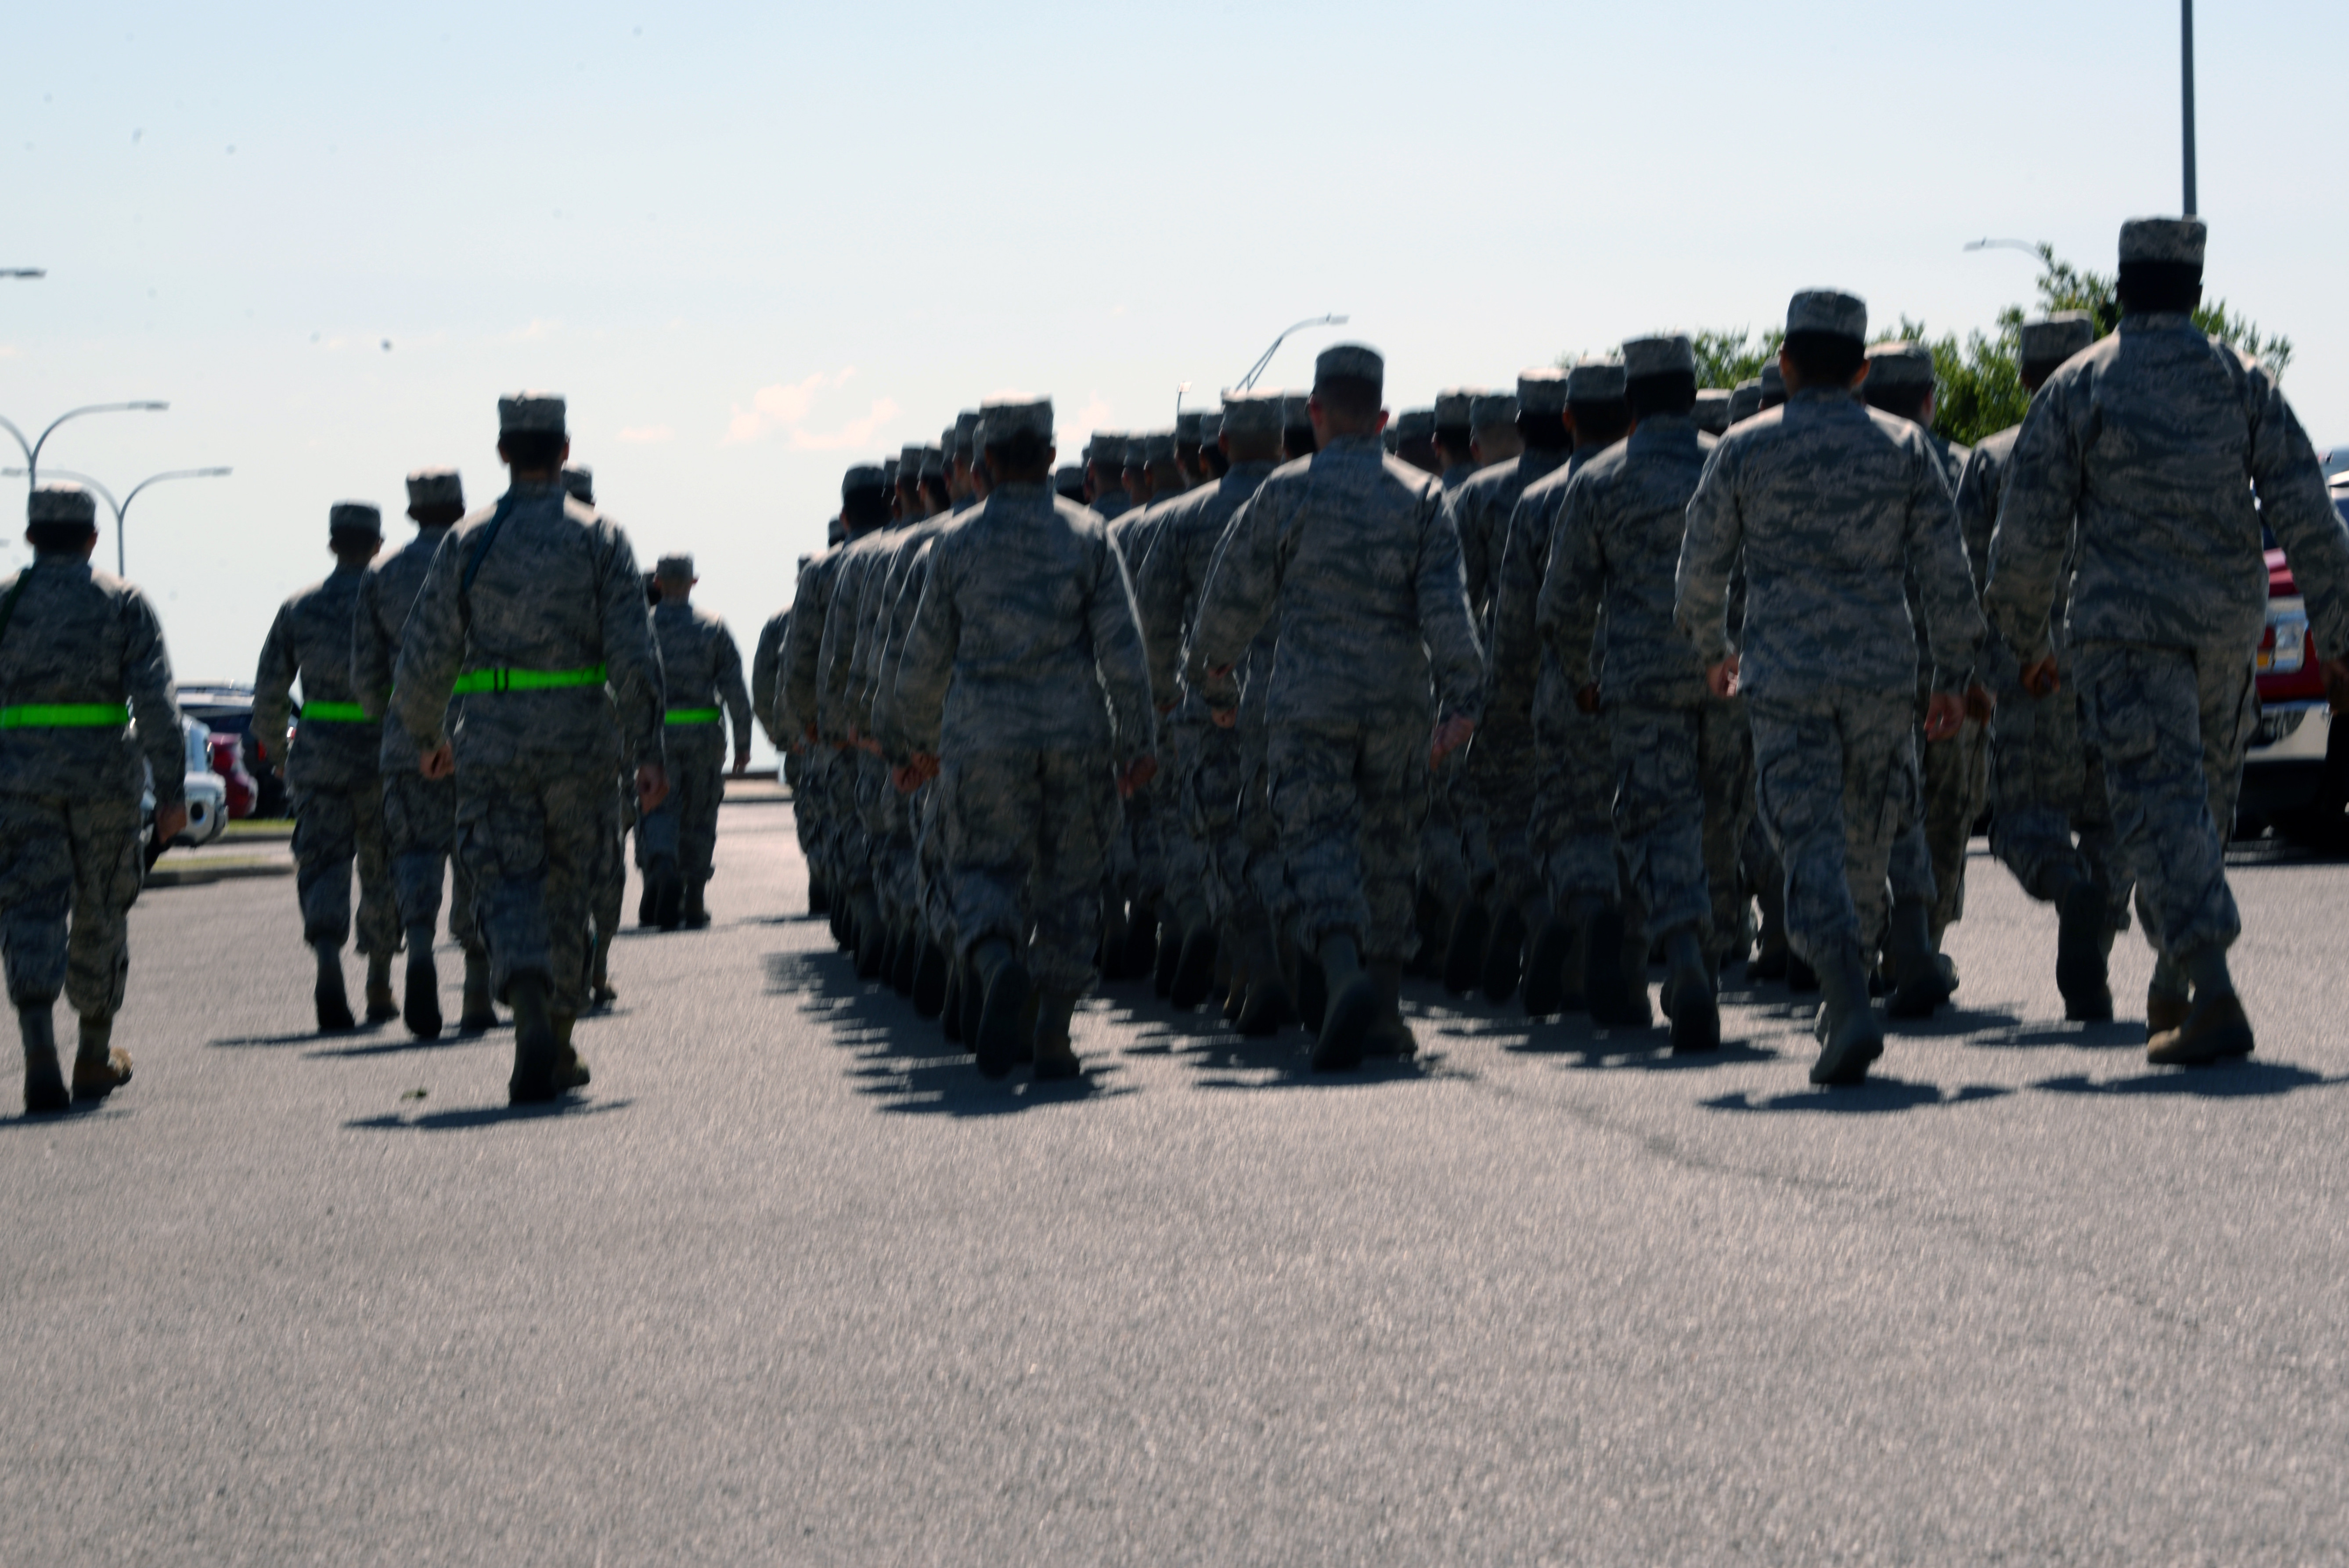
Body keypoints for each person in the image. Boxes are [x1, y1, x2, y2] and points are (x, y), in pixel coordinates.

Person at [1984, 216, 2349, 1065]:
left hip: (2128, 630)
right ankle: (2173, 982)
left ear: (2121, 289)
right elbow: (2307, 514)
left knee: (2160, 799)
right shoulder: (2240, 378)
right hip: (2229, 624)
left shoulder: (2080, 384)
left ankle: (2212, 987)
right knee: (2205, 799)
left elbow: (2028, 533)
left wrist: (2026, 638)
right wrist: (2339, 637)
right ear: (2196, 291)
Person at [1678, 290, 1986, 1085]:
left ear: (1784, 366)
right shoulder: (1906, 449)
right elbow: (1947, 577)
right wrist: (1952, 677)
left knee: (1806, 835)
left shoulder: (1743, 449)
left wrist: (1713, 651)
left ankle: (1845, 993)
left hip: (1783, 674)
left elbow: (1701, 569)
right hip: (1884, 674)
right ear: (1861, 371)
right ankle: (1851, 987)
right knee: (1870, 832)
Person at [1190, 345, 1484, 1068]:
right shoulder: (1421, 496)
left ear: (1314, 413)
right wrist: (1464, 700)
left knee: (1317, 840)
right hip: (1396, 701)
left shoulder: (1285, 493)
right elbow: (1448, 611)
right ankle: (1382, 1006)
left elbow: (1229, 603)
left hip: (1307, 701)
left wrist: (1215, 679)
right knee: (1389, 847)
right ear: (1382, 417)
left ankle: (1343, 966)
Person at [393, 392, 668, 1104]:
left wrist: (426, 737)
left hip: (492, 740)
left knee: (505, 880)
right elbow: (635, 657)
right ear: (566, 450)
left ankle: (526, 1001)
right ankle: (561, 1029)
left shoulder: (471, 538)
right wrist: (648, 748)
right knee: (571, 885)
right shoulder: (601, 537)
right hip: (580, 737)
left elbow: (426, 654)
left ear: (504, 453)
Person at [891, 396, 1158, 1080]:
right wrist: (1137, 740)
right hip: (1074, 730)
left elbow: (924, 656)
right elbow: (1123, 650)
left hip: (981, 734)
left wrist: (915, 745)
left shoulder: (953, 543)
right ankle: (1053, 1031)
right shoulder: (1090, 535)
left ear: (980, 468)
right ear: (1048, 458)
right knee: (1071, 880)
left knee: (981, 866)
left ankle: (996, 960)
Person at [1538, 332, 1735, 1053]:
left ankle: (1682, 953)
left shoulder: (1600, 480)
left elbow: (1561, 604)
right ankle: (1706, 967)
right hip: (1730, 675)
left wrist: (1583, 676)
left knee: (1660, 821)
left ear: (1629, 402)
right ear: (1692, 395)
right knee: (1720, 819)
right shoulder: (1733, 460)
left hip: (1639, 681)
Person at [1956, 312, 2129, 1019]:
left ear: (2026, 377)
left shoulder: (1996, 457)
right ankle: (2092, 937)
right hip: (2118, 664)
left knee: (2024, 817)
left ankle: (2067, 890)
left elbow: (1964, 571)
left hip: (2034, 674)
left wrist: (1966, 669)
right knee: (2112, 820)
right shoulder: (2131, 452)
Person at [0, 483, 179, 1112]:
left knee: (28, 908)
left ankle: (39, 1051)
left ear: (29, 537)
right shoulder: (121, 600)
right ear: (93, 537)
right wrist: (174, 791)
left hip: (18, 782)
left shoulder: (6, 602)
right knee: (102, 907)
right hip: (104, 781)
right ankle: (94, 1054)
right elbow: (155, 704)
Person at [1135, 390, 1287, 1017]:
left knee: (1223, 841)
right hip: (1294, 698)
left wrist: (1167, 697)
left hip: (1211, 705)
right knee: (1292, 832)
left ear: (1219, 446)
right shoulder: (1299, 503)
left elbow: (1154, 624)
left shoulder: (1184, 518)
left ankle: (1256, 966)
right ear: (1281, 442)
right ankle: (1299, 961)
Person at [1497, 360, 1640, 1020]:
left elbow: (1518, 617)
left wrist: (1506, 699)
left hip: (1569, 684)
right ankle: (1633, 971)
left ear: (1568, 418)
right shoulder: (1694, 476)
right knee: (1655, 818)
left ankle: (1582, 920)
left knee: (1574, 821)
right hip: (1665, 680)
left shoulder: (1539, 500)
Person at [1440, 370, 1572, 1001]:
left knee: (1500, 806)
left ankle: (1510, 895)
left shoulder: (1477, 496)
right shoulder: (1588, 484)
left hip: (1503, 667)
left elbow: (1455, 601)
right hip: (1589, 670)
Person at [354, 468, 493, 1038]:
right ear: (461, 507)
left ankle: (419, 952)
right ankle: (479, 982)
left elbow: (366, 678)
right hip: (479, 735)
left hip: (407, 740)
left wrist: (395, 719)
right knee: (479, 857)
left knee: (412, 850)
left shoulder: (380, 574)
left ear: (412, 516)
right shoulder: (482, 559)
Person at [1865, 339, 1980, 1014]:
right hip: (1945, 664)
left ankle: (1877, 942)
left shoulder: (1851, 456)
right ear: (1930, 400)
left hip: (1870, 662)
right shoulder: (1961, 467)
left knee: (1872, 807)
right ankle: (1923, 943)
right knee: (1947, 809)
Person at [255, 501, 401, 1032]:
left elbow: (270, 688)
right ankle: (381, 980)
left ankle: (327, 961)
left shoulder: (301, 607)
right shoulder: (393, 598)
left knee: (322, 864)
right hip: (385, 754)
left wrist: (278, 751)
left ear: (332, 544)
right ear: (378, 544)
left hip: (319, 758)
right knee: (382, 869)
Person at [641, 554, 752, 930]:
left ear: (657, 582)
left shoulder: (642, 628)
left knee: (658, 808)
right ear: (693, 583)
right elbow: (735, 689)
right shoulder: (714, 627)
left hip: (656, 737)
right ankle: (693, 899)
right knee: (701, 816)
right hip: (705, 735)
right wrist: (743, 742)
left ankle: (663, 863)